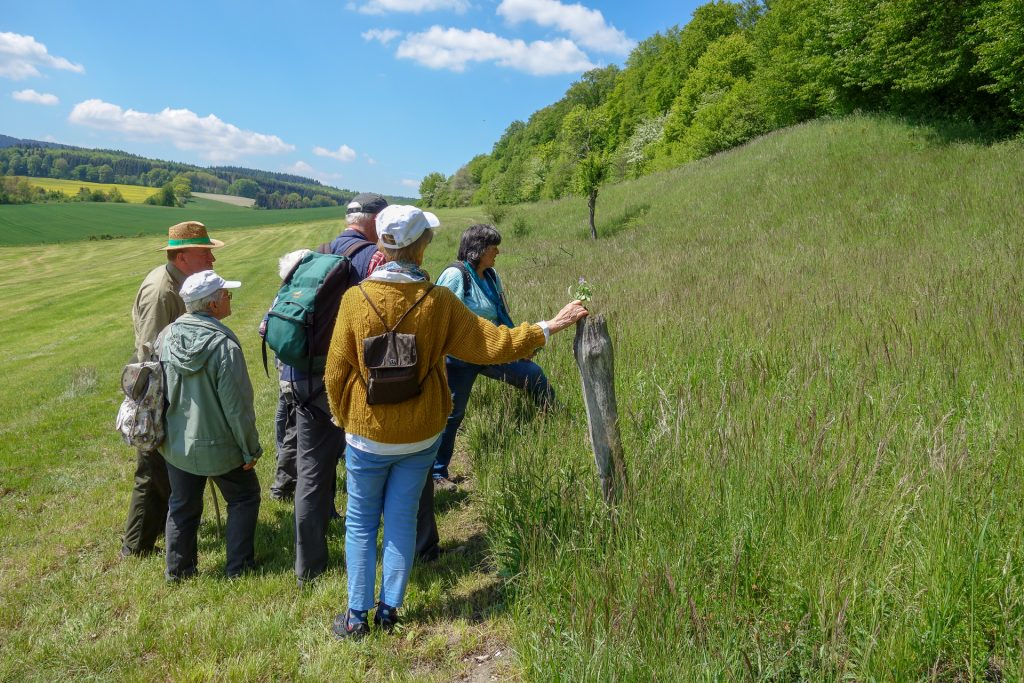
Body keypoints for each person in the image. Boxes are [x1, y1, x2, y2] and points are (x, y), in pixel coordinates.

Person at [323, 205, 587, 639]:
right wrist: (550, 325)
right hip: (421, 433)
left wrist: (342, 414)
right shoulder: (439, 302)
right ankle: (389, 611)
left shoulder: (355, 301)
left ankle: (356, 617)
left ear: (383, 246)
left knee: (360, 521)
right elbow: (495, 344)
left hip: (366, 435)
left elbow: (336, 371)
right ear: (421, 247)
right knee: (403, 518)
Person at [415, 223, 555, 562]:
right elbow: (441, 320)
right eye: (493, 247)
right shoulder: (455, 276)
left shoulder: (490, 276)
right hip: (459, 360)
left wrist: (517, 345)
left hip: (491, 351)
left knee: (532, 376)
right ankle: (438, 472)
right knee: (453, 413)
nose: (498, 252)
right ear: (477, 248)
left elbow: (501, 314)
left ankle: (555, 419)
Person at [292, 192, 388, 586]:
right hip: (351, 379)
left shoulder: (317, 253)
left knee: (311, 472)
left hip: (305, 376)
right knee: (369, 462)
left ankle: (308, 567)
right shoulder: (374, 260)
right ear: (375, 221)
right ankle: (387, 549)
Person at [120, 220, 225, 559]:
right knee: (152, 472)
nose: (212, 259)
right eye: (204, 253)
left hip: (173, 388)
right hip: (158, 393)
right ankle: (135, 548)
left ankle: (167, 527)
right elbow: (150, 353)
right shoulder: (162, 292)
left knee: (167, 470)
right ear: (182, 257)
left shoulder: (179, 284)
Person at [158, 270, 262, 581]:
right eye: (226, 294)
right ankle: (238, 568)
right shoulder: (224, 346)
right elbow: (238, 407)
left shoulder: (165, 336)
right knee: (245, 497)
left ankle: (178, 572)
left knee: (182, 505)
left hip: (177, 445)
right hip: (220, 448)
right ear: (212, 305)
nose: (230, 298)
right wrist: (249, 449)